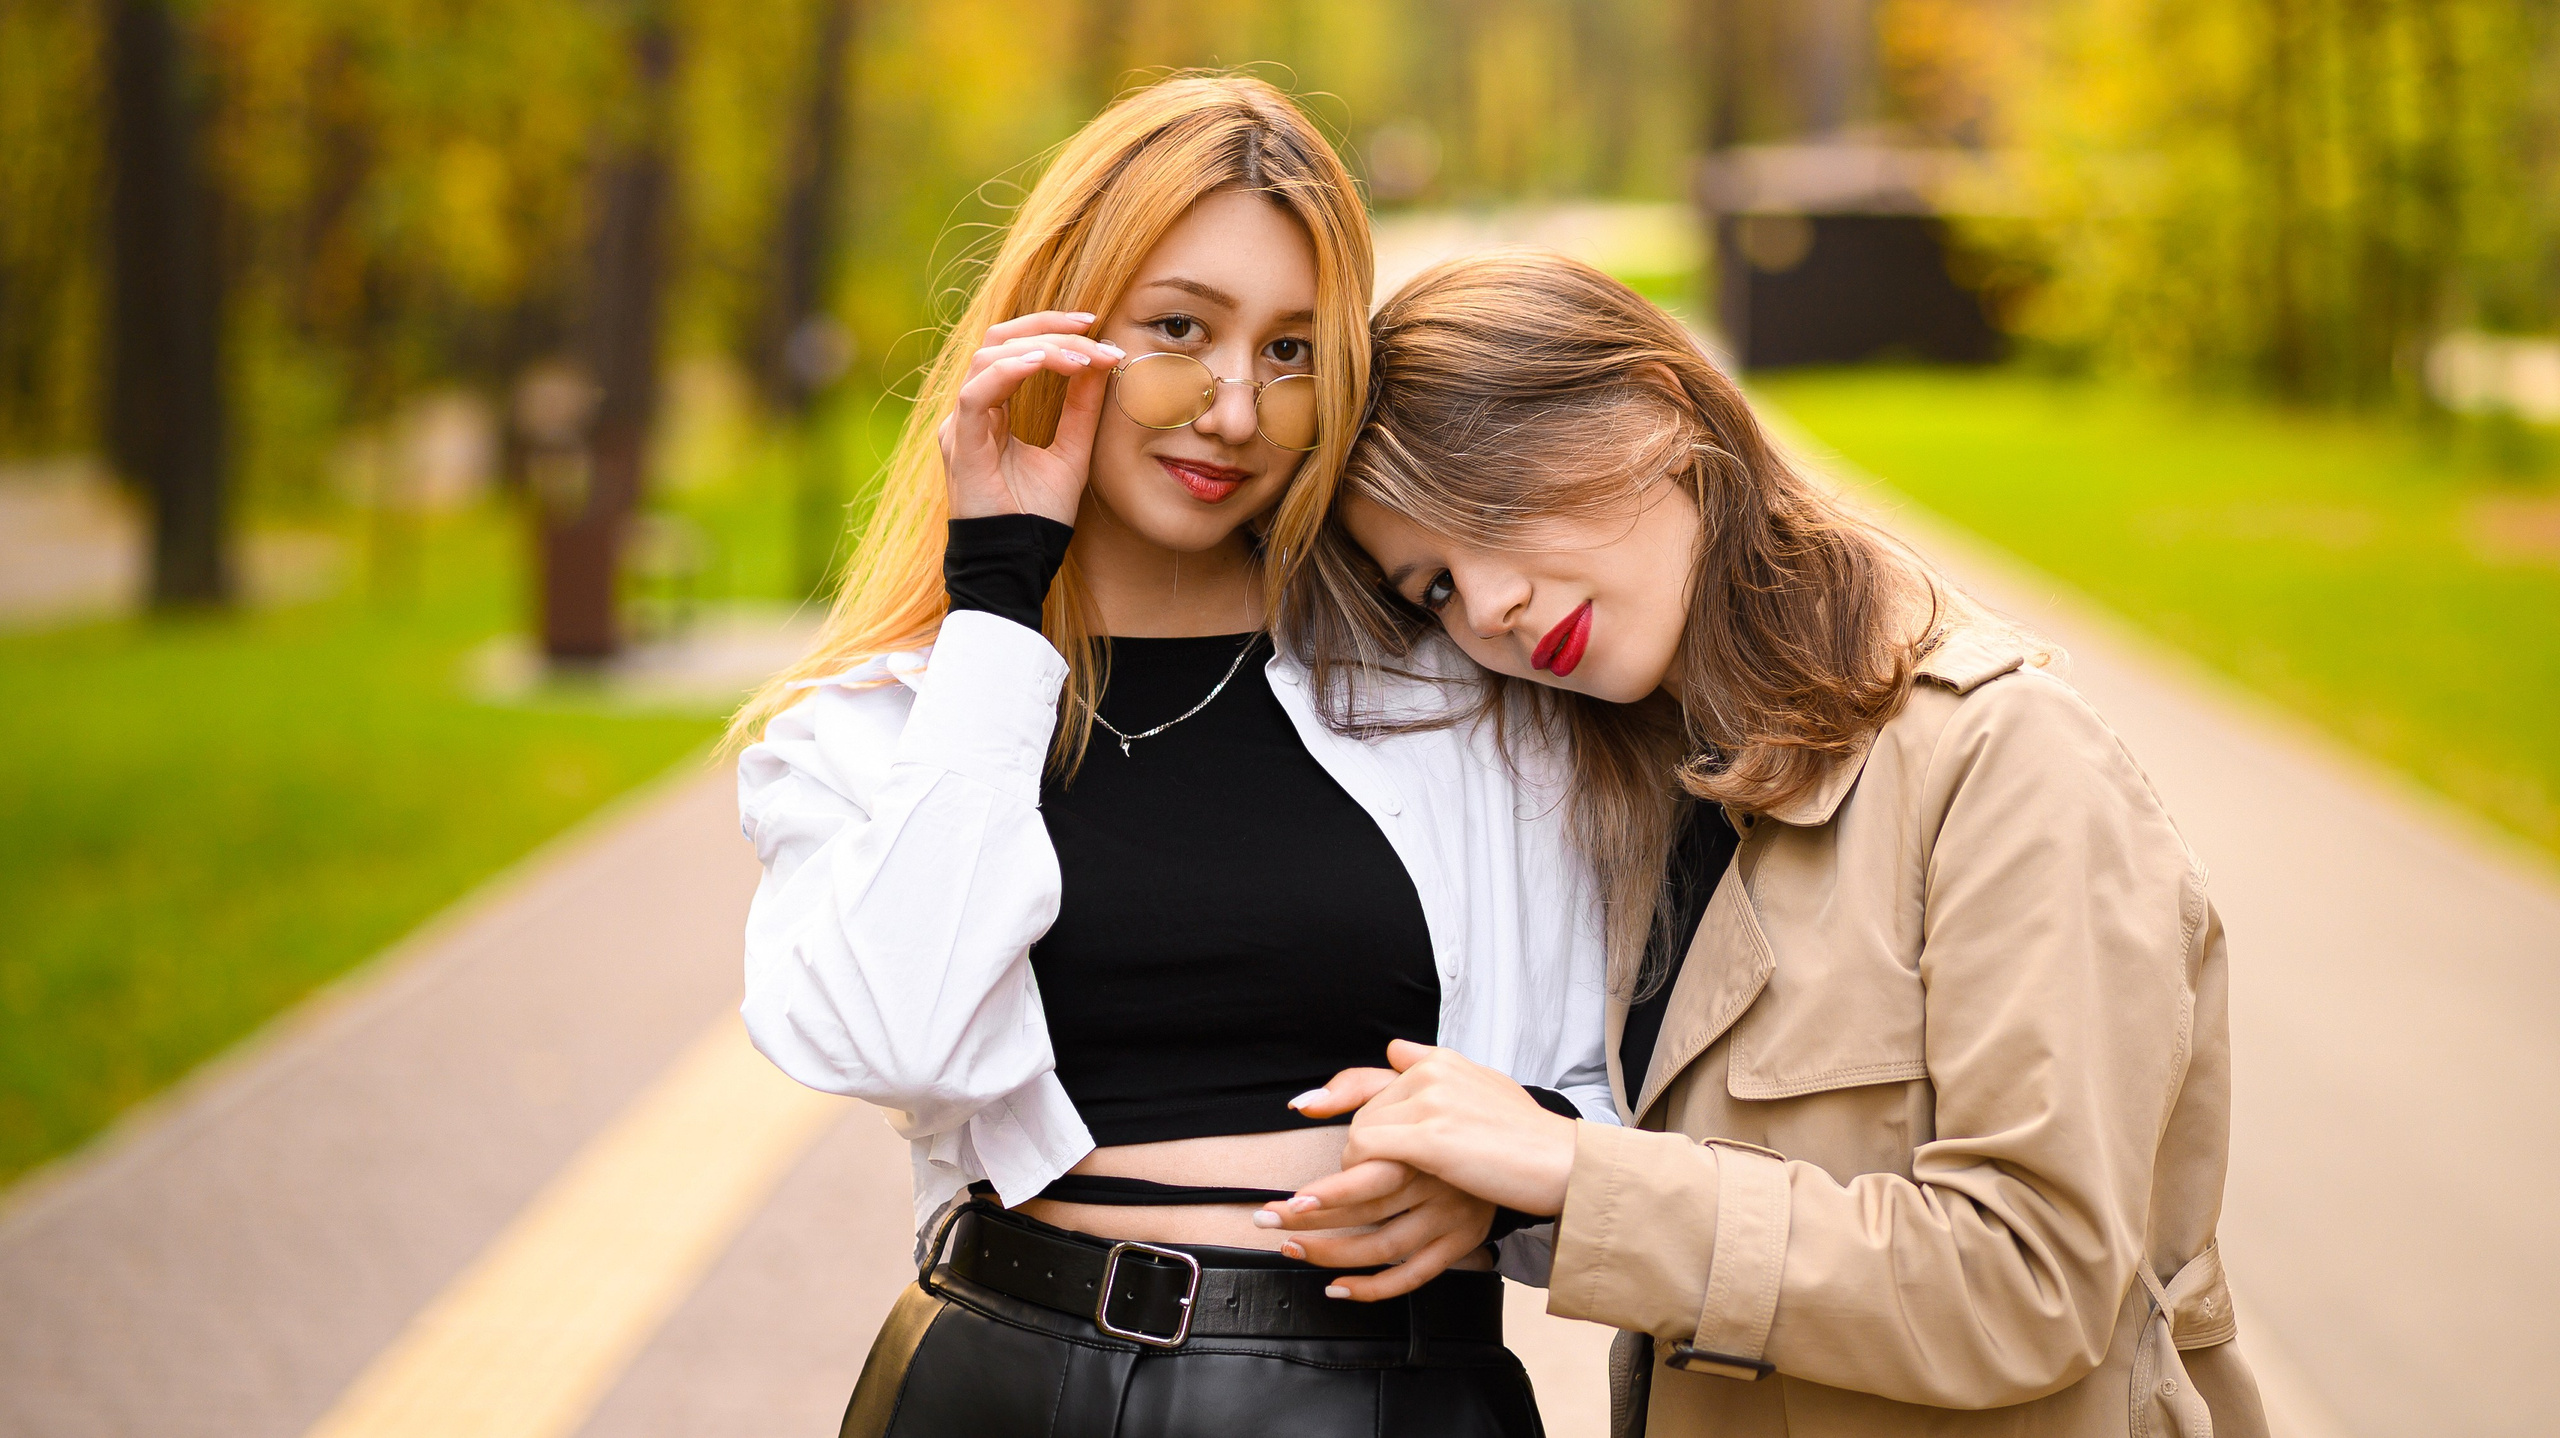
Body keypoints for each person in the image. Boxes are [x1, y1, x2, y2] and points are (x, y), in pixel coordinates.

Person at [728, 81, 1611, 1438]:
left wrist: (1507, 1174)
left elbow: (1622, 1084)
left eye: (1292, 352)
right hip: (1004, 1387)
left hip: (1384, 1399)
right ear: (1062, 328)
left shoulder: (1454, 696)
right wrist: (996, 603)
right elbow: (894, 1041)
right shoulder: (890, 723)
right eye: (1181, 332)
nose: (1234, 411)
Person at [1263, 249, 2269, 1438]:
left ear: (1655, 411)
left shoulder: (2000, 756)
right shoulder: (1648, 803)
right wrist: (1512, 1196)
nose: (1487, 607)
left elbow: (2030, 1283)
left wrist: (1575, 1175)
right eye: (1433, 586)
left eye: (1493, 512)